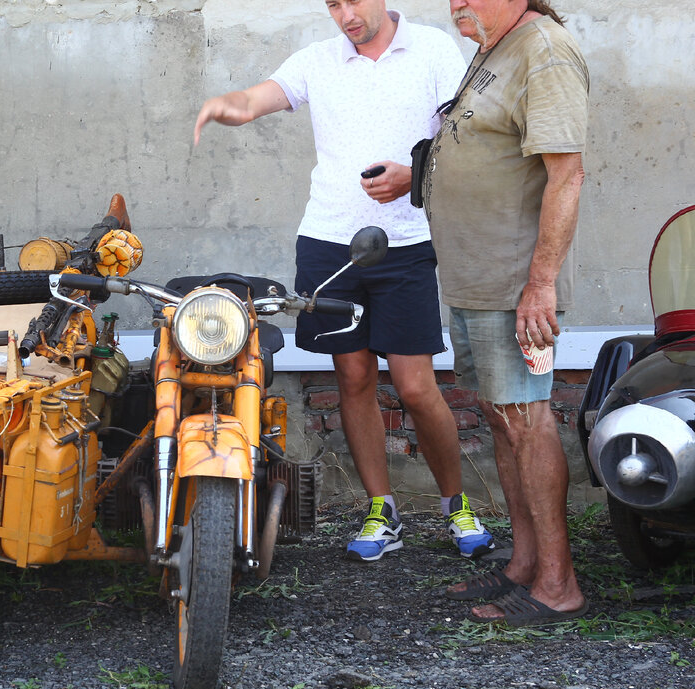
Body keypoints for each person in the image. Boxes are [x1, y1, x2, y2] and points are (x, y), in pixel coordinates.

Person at [193, 0, 491, 562]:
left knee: (415, 386)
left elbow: (467, 136)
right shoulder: (318, 59)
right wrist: (223, 106)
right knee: (353, 378)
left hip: (404, 244)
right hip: (328, 244)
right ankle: (382, 511)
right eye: (333, 4)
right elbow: (258, 97)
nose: (345, 15)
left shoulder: (433, 50)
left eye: (353, 1)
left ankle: (458, 505)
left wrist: (414, 174)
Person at [425, 0, 588, 624]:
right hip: (476, 278)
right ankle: (524, 565)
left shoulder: (543, 50)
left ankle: (557, 584)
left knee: (525, 418)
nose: (457, 3)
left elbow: (566, 175)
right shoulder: (498, 44)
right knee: (500, 415)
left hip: (515, 282)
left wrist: (540, 285)